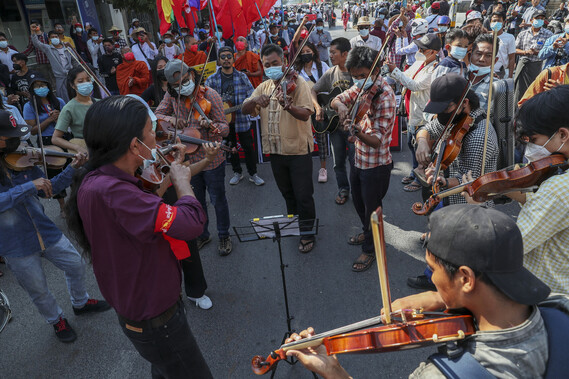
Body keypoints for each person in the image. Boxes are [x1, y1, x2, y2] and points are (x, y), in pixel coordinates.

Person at [286, 204, 568, 378]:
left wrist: (334, 372)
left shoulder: (444, 374)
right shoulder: (559, 310)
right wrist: (441, 297)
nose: (432, 279)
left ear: (466, 278)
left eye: (433, 270)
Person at [66, 95, 213, 377]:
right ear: (135, 145)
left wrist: (168, 174)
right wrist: (183, 184)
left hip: (141, 311)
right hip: (156, 318)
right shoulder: (113, 192)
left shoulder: (97, 180)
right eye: (152, 132)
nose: (157, 141)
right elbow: (191, 223)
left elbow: (146, 210)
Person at [0, 109, 110, 342]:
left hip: (45, 230)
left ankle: (80, 302)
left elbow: (48, 188)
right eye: (9, 136)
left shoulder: (23, 158)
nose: (16, 142)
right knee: (38, 289)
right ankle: (56, 320)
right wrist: (29, 187)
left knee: (76, 264)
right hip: (15, 243)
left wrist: (72, 169)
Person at [408, 74, 499, 290]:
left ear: (464, 103)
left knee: (456, 256)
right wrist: (422, 142)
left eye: (444, 109)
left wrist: (443, 180)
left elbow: (472, 182)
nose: (439, 115)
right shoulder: (454, 117)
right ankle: (432, 276)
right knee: (437, 241)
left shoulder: (479, 137)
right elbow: (428, 128)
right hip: (446, 197)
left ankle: (443, 289)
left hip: (465, 204)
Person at [242, 44, 317, 253]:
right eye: (267, 65)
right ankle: (294, 225)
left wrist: (289, 106)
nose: (271, 67)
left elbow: (306, 113)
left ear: (284, 61)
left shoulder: (299, 83)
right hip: (275, 151)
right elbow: (245, 108)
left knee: (303, 195)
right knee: (287, 194)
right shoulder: (264, 86)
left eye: (275, 63)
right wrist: (255, 100)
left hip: (298, 150)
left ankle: (308, 231)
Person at [155, 60, 233, 255]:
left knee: (218, 199)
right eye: (176, 85)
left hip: (212, 158)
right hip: (188, 159)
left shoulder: (211, 95)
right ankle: (202, 234)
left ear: (191, 73)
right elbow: (157, 114)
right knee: (196, 200)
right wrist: (172, 119)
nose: (182, 87)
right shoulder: (172, 96)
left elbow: (224, 129)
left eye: (185, 80)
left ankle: (224, 235)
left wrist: (213, 126)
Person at [330, 46, 396, 272]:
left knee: (372, 209)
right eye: (355, 76)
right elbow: (339, 98)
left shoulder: (385, 96)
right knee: (358, 203)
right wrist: (340, 107)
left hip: (376, 166)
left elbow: (377, 140)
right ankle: (368, 233)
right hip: (358, 159)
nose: (358, 81)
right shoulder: (361, 87)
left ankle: (371, 249)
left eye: (362, 75)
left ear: (376, 70)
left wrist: (356, 131)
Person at [508, 85, 569, 295]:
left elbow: (512, 248)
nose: (529, 150)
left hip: (549, 298)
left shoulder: (558, 190)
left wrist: (477, 214)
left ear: (563, 134)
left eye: (534, 140)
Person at [387, 34, 440, 193]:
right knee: (411, 144)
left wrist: (395, 71)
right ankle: (414, 170)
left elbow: (414, 85)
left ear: (432, 51)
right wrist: (394, 71)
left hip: (423, 116)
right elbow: (406, 77)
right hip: (412, 112)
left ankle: (420, 177)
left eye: (423, 49)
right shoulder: (419, 63)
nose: (419, 51)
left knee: (422, 149)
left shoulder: (435, 69)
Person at [205, 47, 263, 186]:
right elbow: (205, 101)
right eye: (223, 57)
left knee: (248, 147)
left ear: (234, 58)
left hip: (242, 119)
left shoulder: (242, 77)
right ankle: (237, 172)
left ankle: (253, 173)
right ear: (219, 60)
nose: (226, 59)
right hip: (222, 121)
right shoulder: (211, 80)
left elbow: (252, 95)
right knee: (230, 148)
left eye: (229, 56)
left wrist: (249, 103)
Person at [311, 37, 353, 204]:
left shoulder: (357, 72)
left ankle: (358, 190)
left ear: (345, 54)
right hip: (335, 127)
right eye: (330, 53)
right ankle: (343, 189)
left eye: (334, 53)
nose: (331, 56)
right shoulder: (331, 72)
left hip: (354, 126)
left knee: (356, 162)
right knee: (338, 163)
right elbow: (313, 91)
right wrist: (318, 108)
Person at [23, 76, 67, 214]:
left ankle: (78, 200)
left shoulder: (58, 101)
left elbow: (68, 120)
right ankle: (62, 206)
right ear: (32, 90)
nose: (41, 88)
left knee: (72, 168)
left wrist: (60, 117)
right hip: (47, 140)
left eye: (43, 85)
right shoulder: (29, 106)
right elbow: (33, 130)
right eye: (37, 86)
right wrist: (49, 120)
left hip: (63, 137)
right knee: (54, 173)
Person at [295, 42, 330, 183]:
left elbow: (331, 86)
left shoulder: (323, 67)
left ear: (314, 52)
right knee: (302, 138)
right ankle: (304, 168)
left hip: (319, 107)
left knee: (321, 137)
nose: (305, 54)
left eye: (308, 51)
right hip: (302, 108)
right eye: (302, 52)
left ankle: (323, 168)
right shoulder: (296, 70)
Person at [51, 66, 95, 156]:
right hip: (89, 152)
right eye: (80, 81)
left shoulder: (99, 102)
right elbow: (55, 138)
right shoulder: (69, 108)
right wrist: (77, 147)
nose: (86, 83)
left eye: (88, 80)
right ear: (72, 85)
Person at [514, 9, 552, 103]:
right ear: (531, 20)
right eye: (537, 18)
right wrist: (525, 52)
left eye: (542, 18)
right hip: (523, 63)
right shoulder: (523, 33)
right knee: (519, 90)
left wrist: (537, 52)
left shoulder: (548, 34)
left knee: (534, 90)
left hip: (537, 65)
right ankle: (517, 113)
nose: (539, 20)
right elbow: (515, 49)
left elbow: (550, 50)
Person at [30, 26, 74, 102]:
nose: (54, 38)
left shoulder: (67, 48)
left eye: (56, 36)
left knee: (74, 94)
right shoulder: (48, 49)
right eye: (52, 37)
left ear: (59, 37)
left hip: (71, 76)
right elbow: (37, 43)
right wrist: (33, 32)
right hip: (60, 78)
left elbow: (75, 61)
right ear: (49, 39)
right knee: (64, 97)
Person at [23, 20, 55, 87]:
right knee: (45, 79)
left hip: (51, 61)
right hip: (41, 62)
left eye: (36, 25)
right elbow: (30, 48)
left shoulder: (46, 35)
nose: (35, 27)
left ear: (40, 25)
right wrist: (22, 55)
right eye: (33, 26)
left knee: (54, 77)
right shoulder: (32, 37)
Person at [491, 12, 516, 79]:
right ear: (490, 22)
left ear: (503, 22)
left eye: (499, 21)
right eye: (494, 21)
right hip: (486, 72)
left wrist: (510, 77)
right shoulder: (485, 37)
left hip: (501, 73)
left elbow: (512, 58)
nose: (496, 23)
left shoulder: (510, 38)